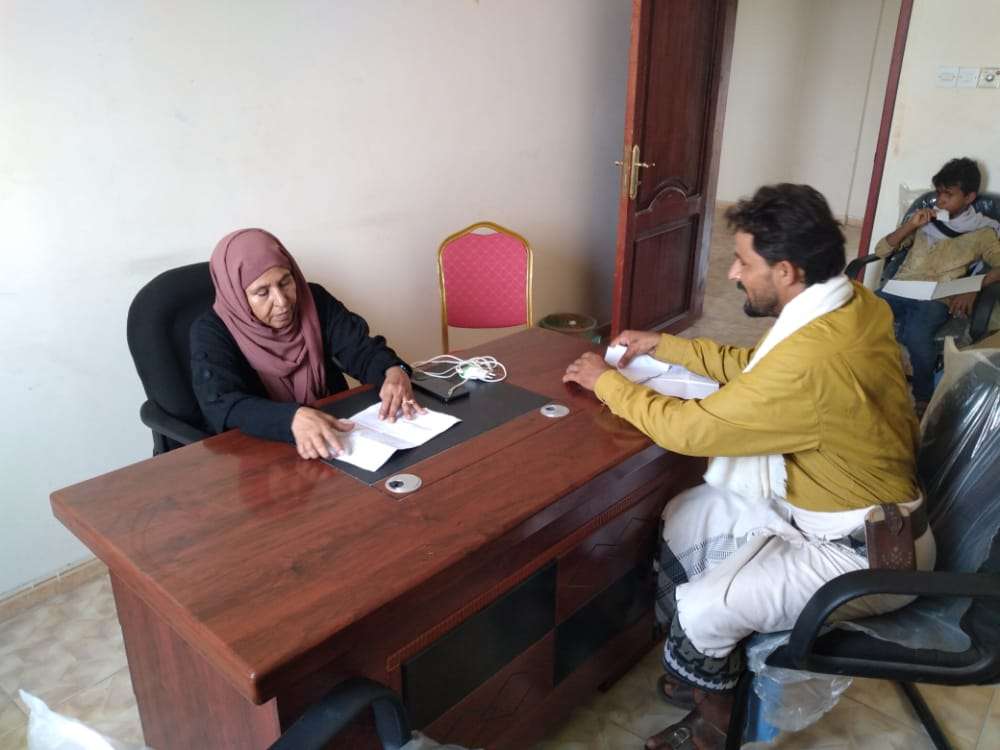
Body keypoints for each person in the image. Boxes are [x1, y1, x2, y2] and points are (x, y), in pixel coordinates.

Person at [563, 184, 935, 750]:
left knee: (704, 608)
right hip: (856, 517)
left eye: (743, 262)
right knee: (685, 515)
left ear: (786, 271)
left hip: (868, 557)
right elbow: (758, 367)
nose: (733, 273)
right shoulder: (850, 304)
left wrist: (607, 383)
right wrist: (666, 345)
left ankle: (717, 725)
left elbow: (690, 430)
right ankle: (700, 663)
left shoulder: (814, 360)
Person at [191, 228, 423, 461]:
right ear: (237, 296)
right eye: (262, 292)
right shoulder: (211, 331)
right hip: (261, 452)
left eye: (285, 282)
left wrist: (393, 370)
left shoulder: (314, 300)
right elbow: (223, 403)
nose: (282, 301)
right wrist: (290, 418)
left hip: (334, 434)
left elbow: (360, 349)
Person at [874, 157, 1000, 413]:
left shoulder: (983, 232)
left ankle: (923, 398)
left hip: (936, 296)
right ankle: (864, 377)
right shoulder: (925, 222)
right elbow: (881, 250)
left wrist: (973, 286)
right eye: (939, 192)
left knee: (916, 335)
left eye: (949, 194)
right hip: (899, 288)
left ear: (969, 197)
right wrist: (910, 226)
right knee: (862, 315)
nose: (940, 200)